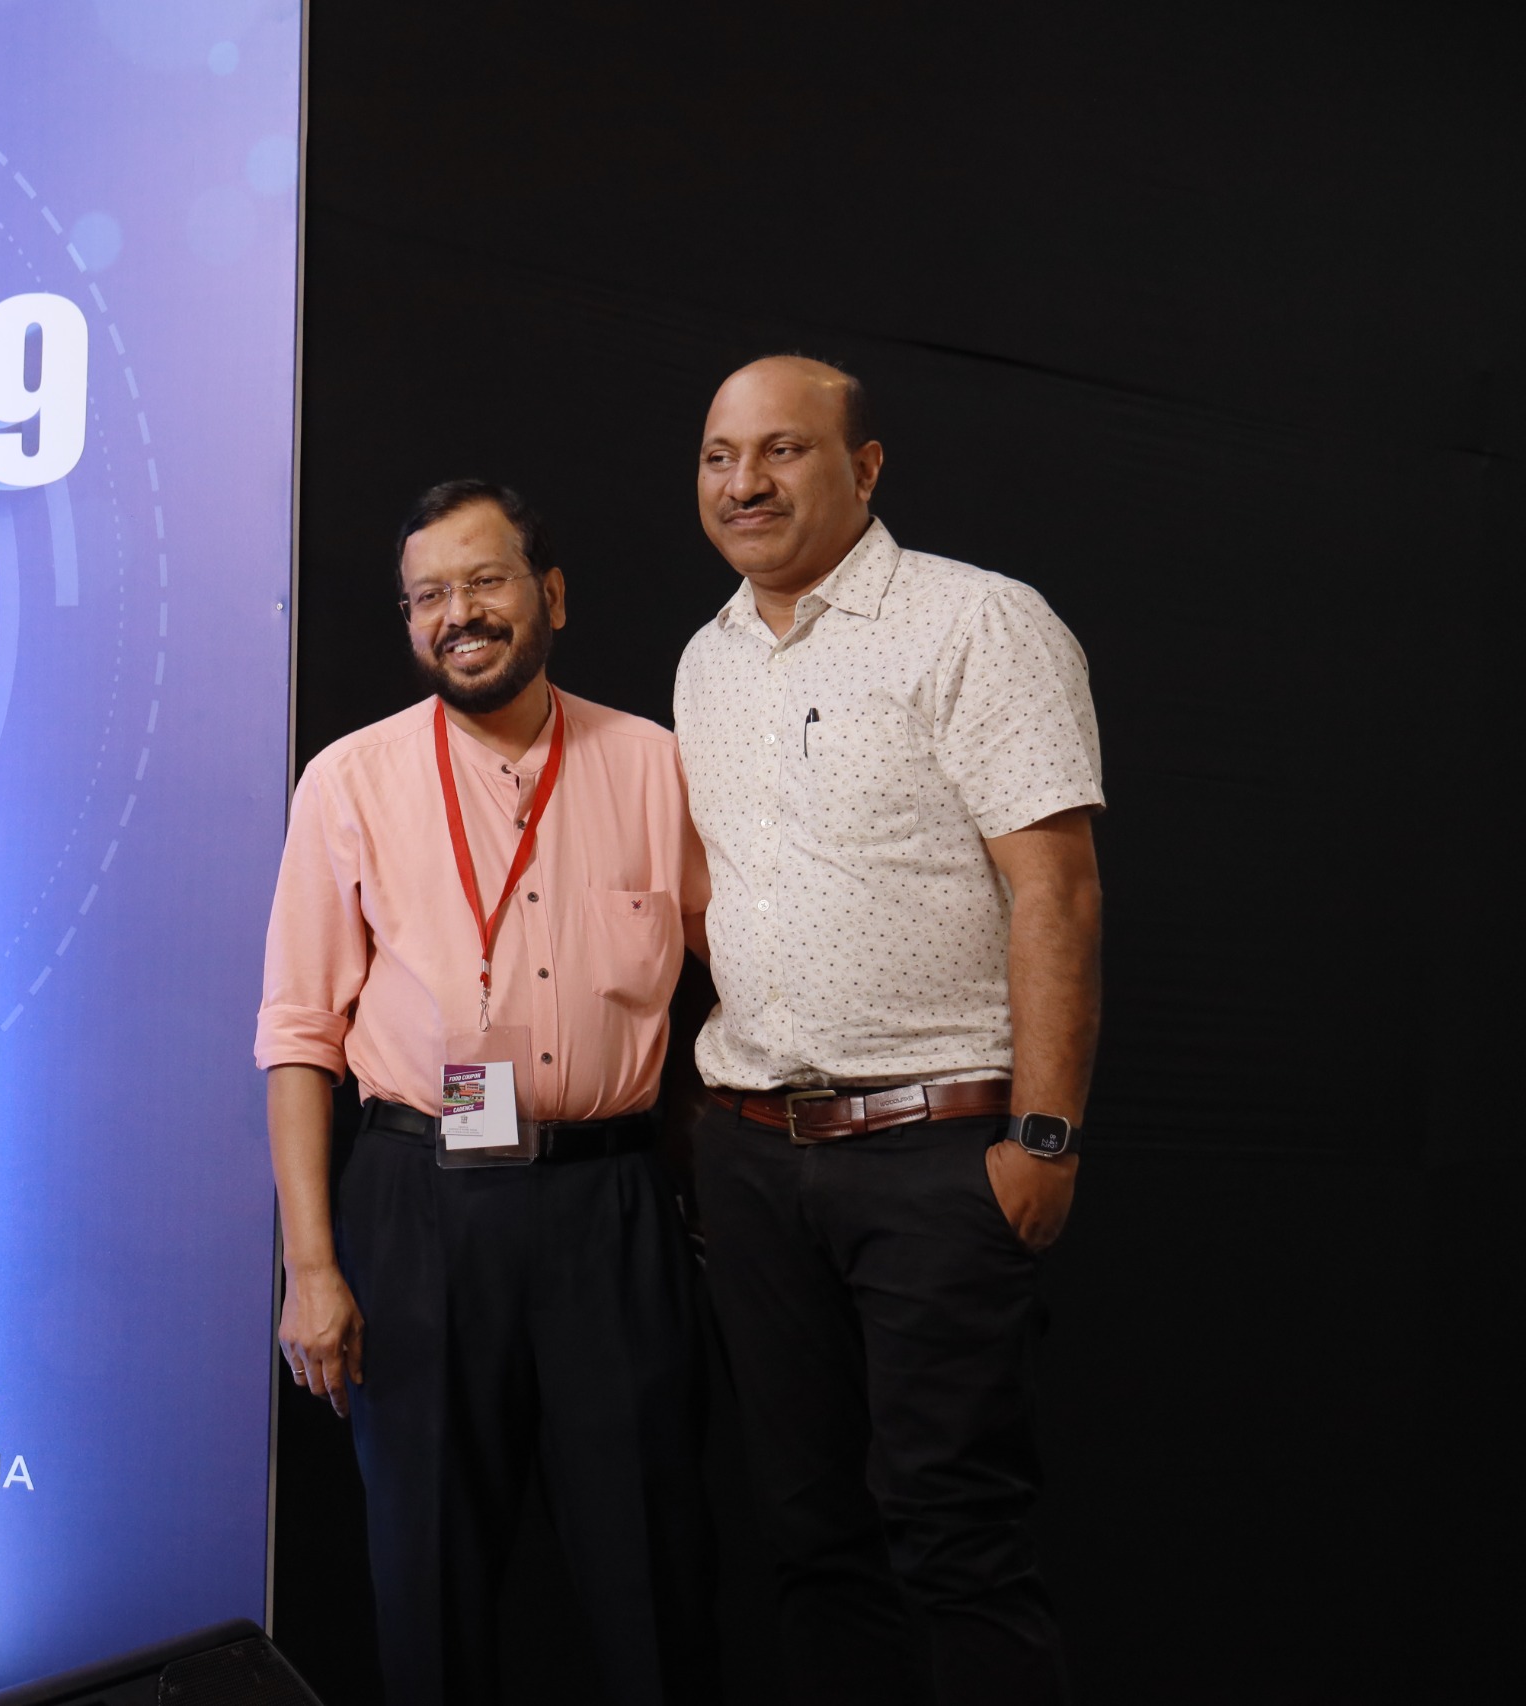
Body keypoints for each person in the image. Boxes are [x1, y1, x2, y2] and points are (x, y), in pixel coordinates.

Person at [673, 356, 1103, 1706]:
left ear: (863, 468)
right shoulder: (706, 658)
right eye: (719, 455)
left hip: (937, 1153)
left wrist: (1044, 1134)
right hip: (752, 1154)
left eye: (782, 449)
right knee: (809, 1538)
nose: (744, 482)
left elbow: (1059, 890)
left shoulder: (976, 620)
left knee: (955, 1536)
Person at [256, 480, 717, 1706]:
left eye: (484, 581)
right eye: (427, 595)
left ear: (550, 594)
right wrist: (313, 1268)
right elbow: (297, 1034)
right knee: (431, 1583)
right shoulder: (349, 780)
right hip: (417, 1204)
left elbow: (740, 977)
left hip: (611, 1204)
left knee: (653, 1571)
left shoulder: (658, 766)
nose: (456, 613)